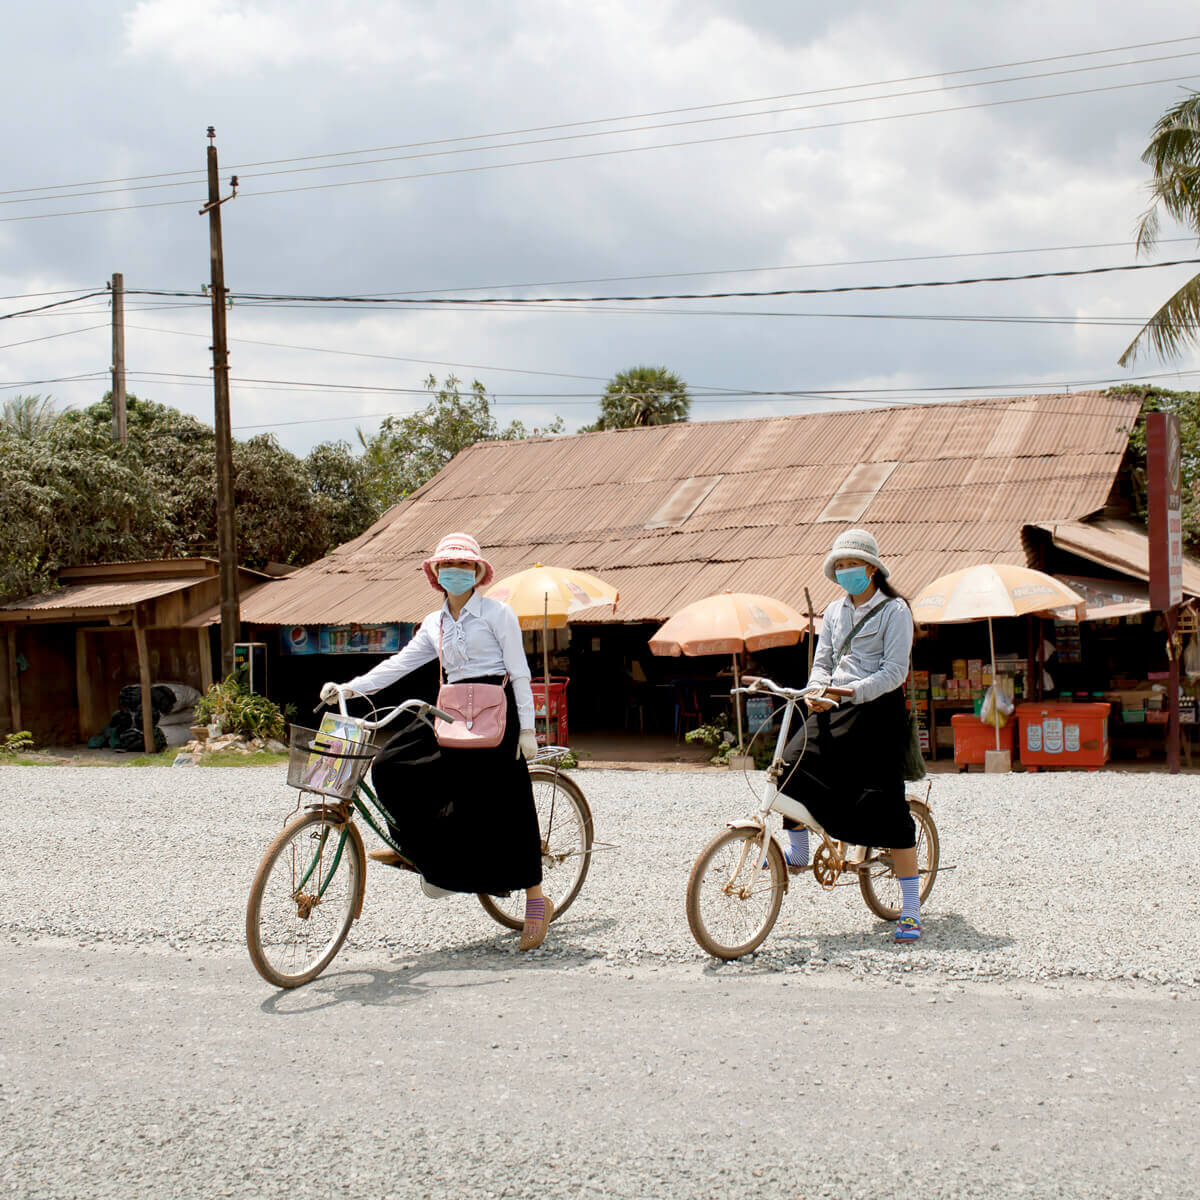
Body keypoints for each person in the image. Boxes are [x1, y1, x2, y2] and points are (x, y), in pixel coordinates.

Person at [319, 532, 552, 951]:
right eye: (448, 566)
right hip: (450, 710)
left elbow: (519, 673)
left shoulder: (498, 614)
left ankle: (536, 900)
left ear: (478, 572)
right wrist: (350, 688)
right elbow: (400, 664)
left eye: (465, 566)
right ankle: (426, 855)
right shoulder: (435, 623)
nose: (456, 572)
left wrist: (530, 729)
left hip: (496, 711)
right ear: (435, 574)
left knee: (508, 797)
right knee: (390, 765)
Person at [776, 528, 923, 942]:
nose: (844, 572)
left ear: (872, 568)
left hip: (877, 711)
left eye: (850, 564)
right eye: (838, 566)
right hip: (834, 704)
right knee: (789, 763)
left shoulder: (896, 611)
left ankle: (910, 909)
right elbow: (822, 661)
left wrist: (850, 692)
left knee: (886, 805)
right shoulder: (834, 611)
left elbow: (895, 672)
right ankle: (800, 853)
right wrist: (818, 689)